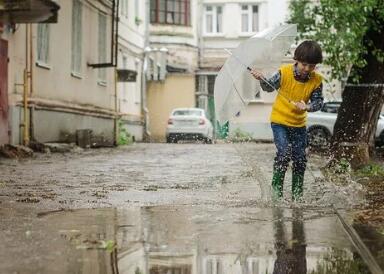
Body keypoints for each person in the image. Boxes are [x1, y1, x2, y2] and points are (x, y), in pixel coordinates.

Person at [250, 40, 324, 201]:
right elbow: (269, 87)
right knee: (284, 154)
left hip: (299, 125)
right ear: (296, 60)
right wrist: (261, 78)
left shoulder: (316, 80)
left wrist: (308, 107)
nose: (307, 69)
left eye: (312, 66)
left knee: (300, 158)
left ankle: (297, 196)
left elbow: (319, 102)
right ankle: (276, 195)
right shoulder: (284, 73)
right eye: (304, 64)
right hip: (280, 122)